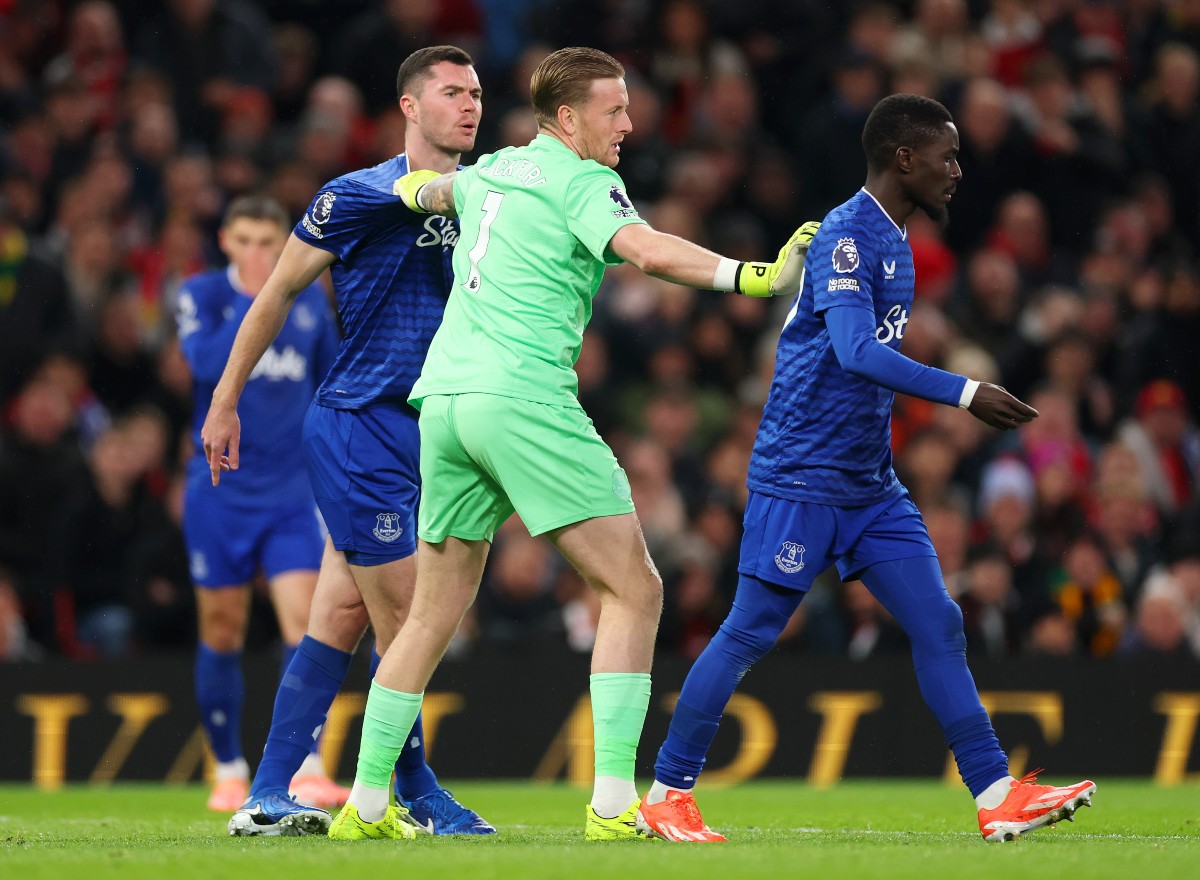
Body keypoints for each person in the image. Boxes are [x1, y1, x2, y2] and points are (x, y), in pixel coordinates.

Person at [332, 45, 818, 842]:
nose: (628, 122)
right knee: (636, 589)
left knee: (428, 617)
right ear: (567, 117)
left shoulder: (493, 171)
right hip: (522, 400)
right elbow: (646, 251)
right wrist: (755, 276)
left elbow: (424, 189)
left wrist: (402, 187)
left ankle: (364, 806)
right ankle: (614, 805)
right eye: (612, 109)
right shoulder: (584, 182)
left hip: (445, 402)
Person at [635, 93, 1097, 844]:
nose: (957, 170)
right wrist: (965, 391)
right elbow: (855, 353)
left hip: (868, 483)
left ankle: (995, 794)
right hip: (801, 473)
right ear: (904, 159)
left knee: (939, 622)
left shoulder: (899, 242)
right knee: (750, 631)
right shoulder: (847, 235)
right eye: (947, 157)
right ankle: (666, 793)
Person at [201, 46, 493, 838]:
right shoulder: (355, 196)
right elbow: (276, 293)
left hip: (434, 433)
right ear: (408, 106)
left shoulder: (486, 198)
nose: (470, 104)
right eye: (451, 92)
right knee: (410, 622)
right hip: (362, 424)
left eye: (475, 92)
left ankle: (268, 793)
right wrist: (225, 399)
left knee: (337, 616)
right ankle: (416, 790)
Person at [178, 195, 341, 812]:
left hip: (291, 493)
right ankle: (227, 768)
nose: (256, 253)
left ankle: (307, 767)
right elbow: (202, 364)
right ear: (225, 240)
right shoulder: (200, 295)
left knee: (306, 625)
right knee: (223, 629)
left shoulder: (310, 302)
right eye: (244, 240)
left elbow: (329, 382)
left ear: (284, 243)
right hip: (220, 490)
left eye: (268, 242)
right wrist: (257, 297)